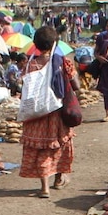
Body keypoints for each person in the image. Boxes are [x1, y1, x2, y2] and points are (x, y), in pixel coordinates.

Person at [19, 26, 76, 199]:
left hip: (35, 114)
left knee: (40, 149)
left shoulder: (30, 64)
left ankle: (44, 187)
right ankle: (59, 178)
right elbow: (77, 85)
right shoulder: (62, 61)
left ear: (35, 44)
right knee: (58, 144)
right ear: (54, 43)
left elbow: (24, 88)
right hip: (56, 113)